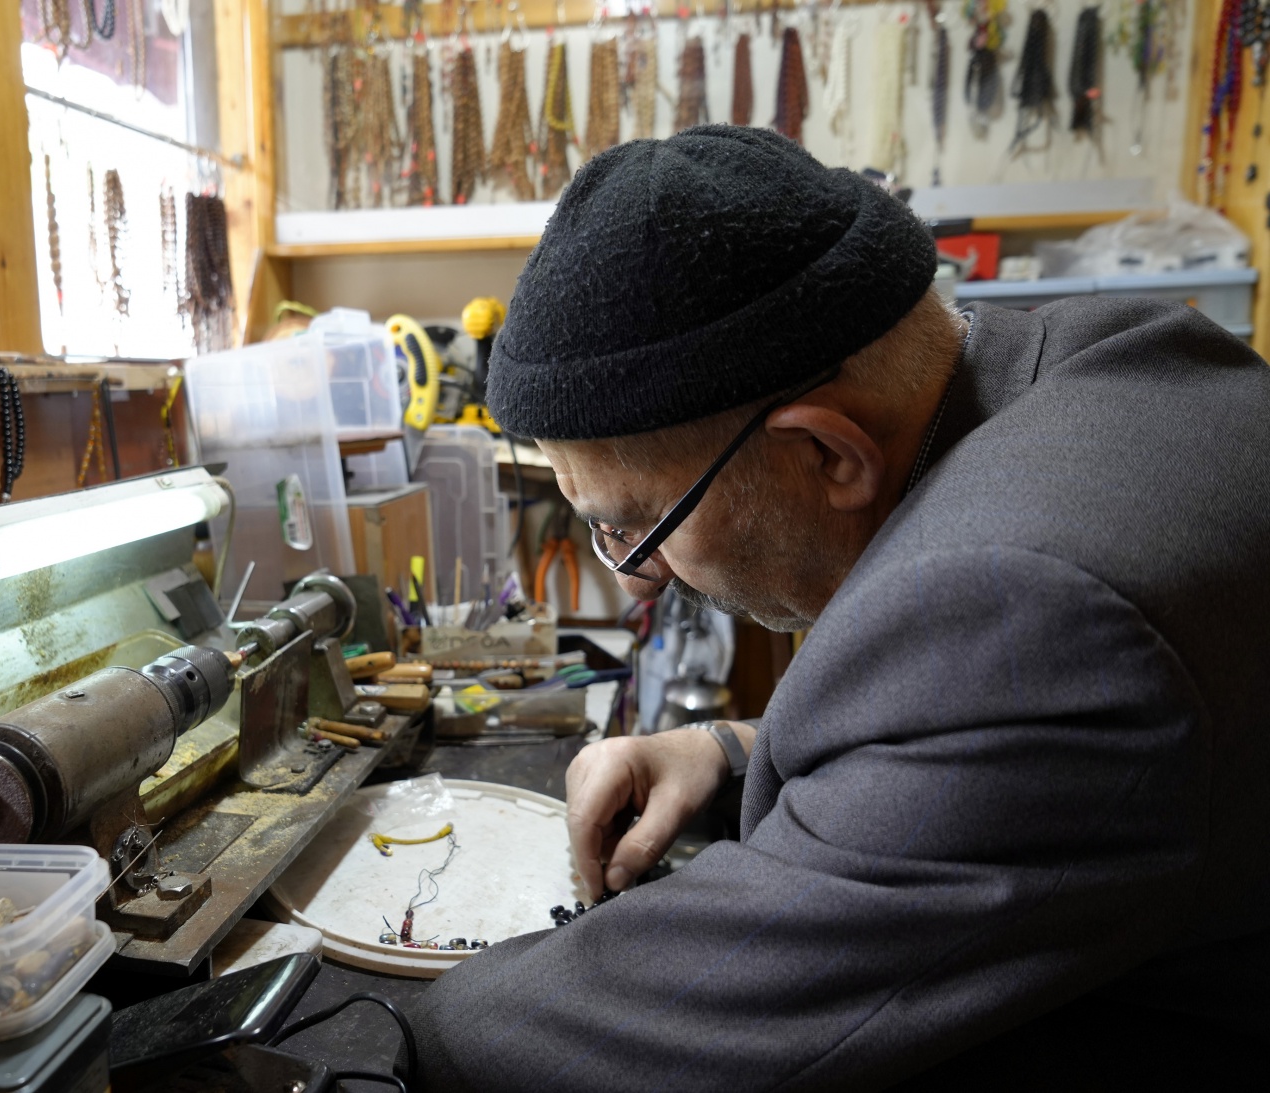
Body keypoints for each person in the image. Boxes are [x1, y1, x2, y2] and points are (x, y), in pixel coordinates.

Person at [403, 126, 1270, 1089]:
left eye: (639, 524)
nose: (638, 580)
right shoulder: (1112, 355)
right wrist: (728, 752)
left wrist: (383, 1030)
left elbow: (683, 1015)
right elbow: (991, 751)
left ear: (827, 453)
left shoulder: (1031, 610)